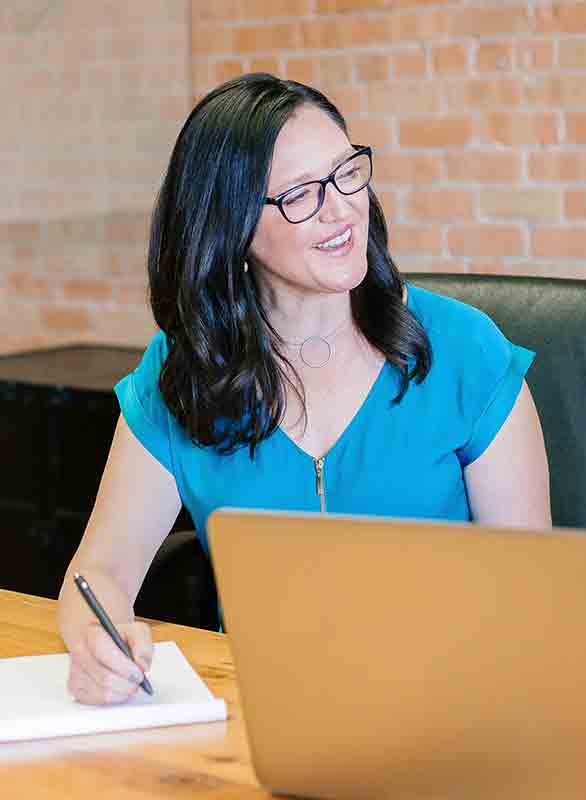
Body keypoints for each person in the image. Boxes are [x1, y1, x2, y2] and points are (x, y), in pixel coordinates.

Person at [58, 74, 551, 706]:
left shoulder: (465, 352)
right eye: (300, 195)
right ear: (230, 231)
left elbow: (535, 598)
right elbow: (95, 576)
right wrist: (98, 646)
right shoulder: (182, 376)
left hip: (452, 707)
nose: (342, 208)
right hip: (262, 716)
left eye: (347, 173)